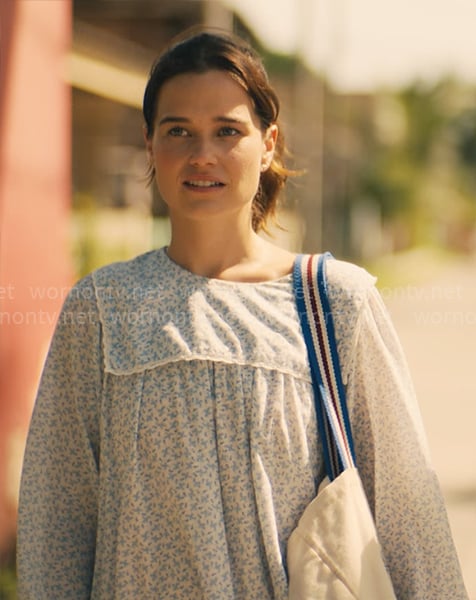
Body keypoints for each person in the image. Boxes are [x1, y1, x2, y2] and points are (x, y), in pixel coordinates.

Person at [17, 27, 468, 599]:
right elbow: (56, 523)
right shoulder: (103, 307)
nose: (201, 154)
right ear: (150, 145)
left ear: (269, 142)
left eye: (227, 131)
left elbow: (411, 520)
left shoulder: (335, 302)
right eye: (177, 131)